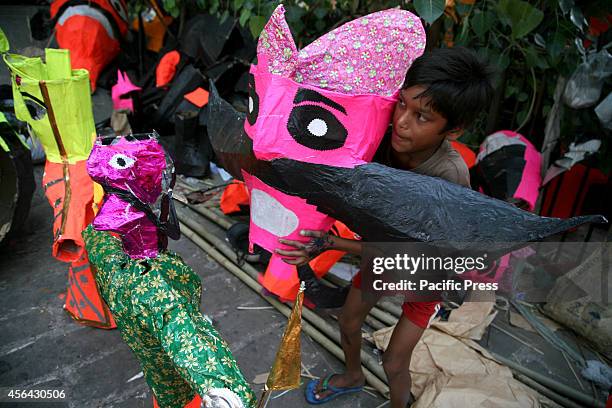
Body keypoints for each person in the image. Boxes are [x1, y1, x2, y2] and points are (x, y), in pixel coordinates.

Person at [275, 47, 495, 407]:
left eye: (422, 117)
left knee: (394, 362)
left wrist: (334, 243)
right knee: (348, 323)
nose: (402, 121)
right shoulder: (379, 137)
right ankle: (353, 375)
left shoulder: (449, 177)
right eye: (402, 104)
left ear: (453, 130)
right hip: (382, 254)